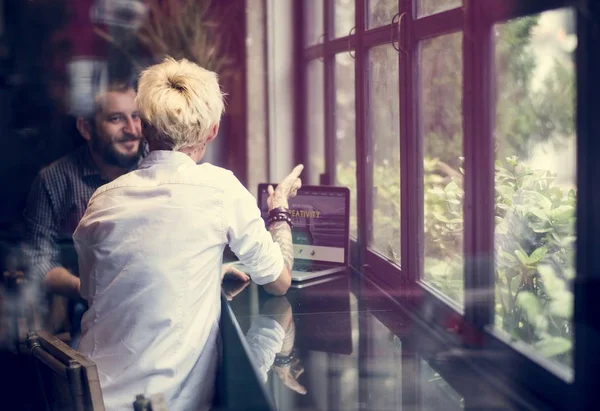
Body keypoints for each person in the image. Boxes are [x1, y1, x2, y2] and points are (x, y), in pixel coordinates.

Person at [73, 57, 302, 411]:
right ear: (212, 131)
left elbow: (96, 293)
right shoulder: (220, 189)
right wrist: (279, 209)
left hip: (88, 398)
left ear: (145, 128)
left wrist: (208, 275)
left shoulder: (104, 198)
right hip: (160, 405)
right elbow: (278, 281)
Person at [23, 81, 144, 335]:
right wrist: (87, 291)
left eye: (136, 117)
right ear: (86, 128)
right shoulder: (54, 180)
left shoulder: (156, 170)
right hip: (80, 317)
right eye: (116, 119)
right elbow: (37, 260)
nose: (132, 130)